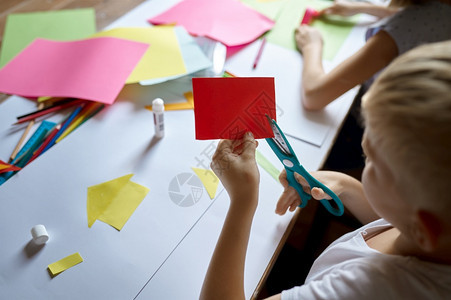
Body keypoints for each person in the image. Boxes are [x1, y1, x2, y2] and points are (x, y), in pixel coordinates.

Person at [200, 40, 451, 299]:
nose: (365, 155)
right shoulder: (437, 224)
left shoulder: (365, 289)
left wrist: (242, 201)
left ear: (424, 229)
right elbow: (394, 220)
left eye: (370, 159)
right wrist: (345, 185)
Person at [297, 0, 451, 110]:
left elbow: (315, 96)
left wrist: (312, 46)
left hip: (386, 124)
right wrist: (362, 8)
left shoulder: (404, 28)